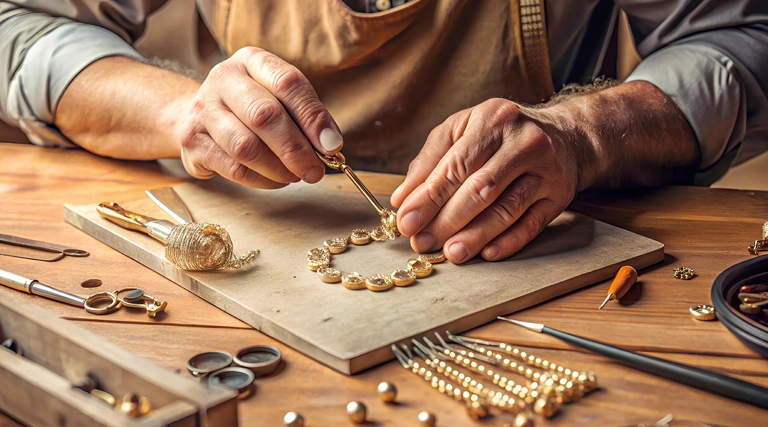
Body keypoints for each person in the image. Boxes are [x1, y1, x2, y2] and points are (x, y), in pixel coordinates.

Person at [1, 1, 766, 264]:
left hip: (535, 253)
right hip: (250, 229)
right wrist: (180, 112)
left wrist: (585, 131)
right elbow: (17, 28)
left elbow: (745, 35)